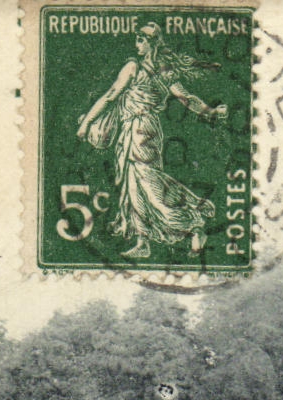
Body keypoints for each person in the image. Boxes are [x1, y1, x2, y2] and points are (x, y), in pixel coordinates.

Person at [76, 24, 227, 260]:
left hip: (137, 129)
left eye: (140, 39)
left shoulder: (133, 67)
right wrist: (210, 111)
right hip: (148, 130)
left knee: (144, 184)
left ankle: (193, 224)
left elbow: (110, 96)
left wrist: (86, 124)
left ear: (150, 42)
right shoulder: (164, 70)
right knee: (136, 183)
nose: (136, 44)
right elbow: (186, 99)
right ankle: (143, 240)